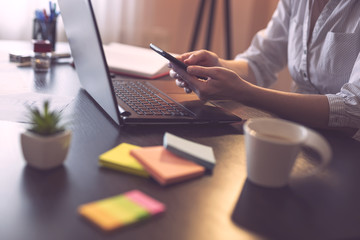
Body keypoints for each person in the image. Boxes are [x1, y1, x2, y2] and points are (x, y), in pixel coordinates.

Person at [169, 0, 360, 141]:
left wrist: (244, 93)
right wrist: (218, 66)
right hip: (292, 135)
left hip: (348, 149)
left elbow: (353, 108)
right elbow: (260, 60)